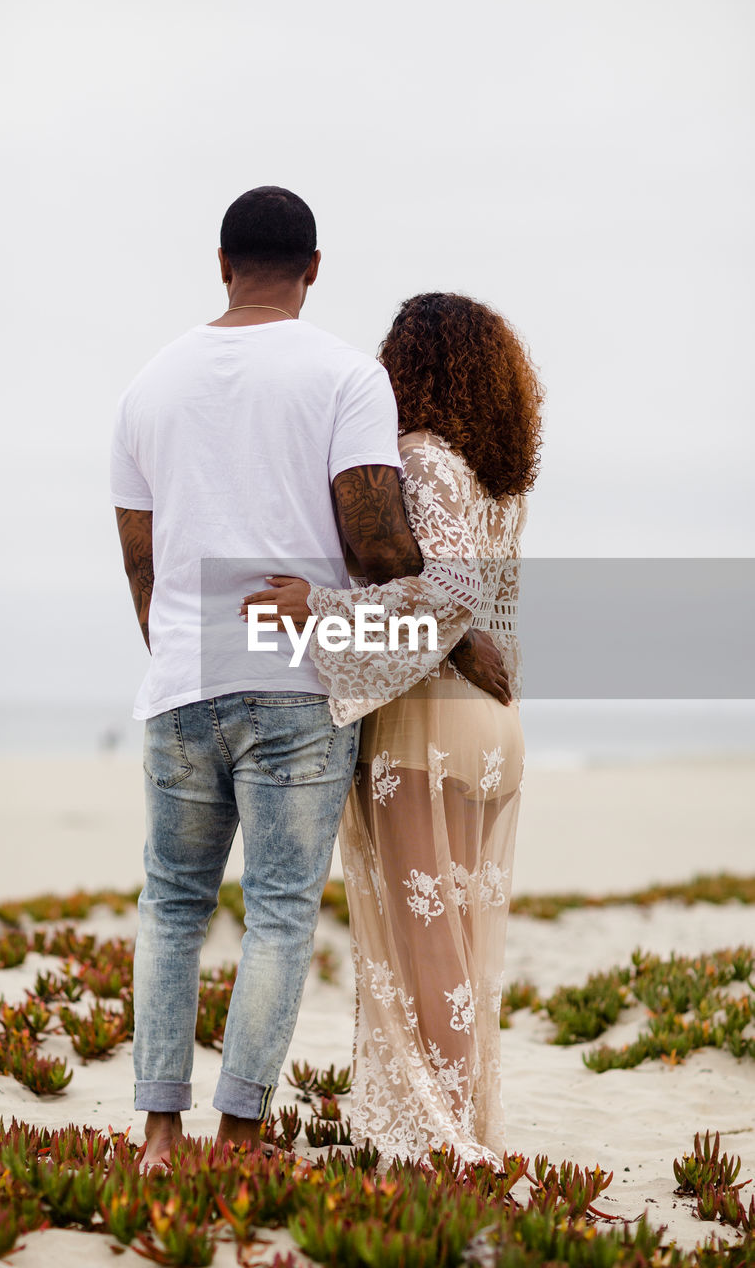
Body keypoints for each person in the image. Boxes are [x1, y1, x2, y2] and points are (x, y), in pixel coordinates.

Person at [110, 190, 508, 1170]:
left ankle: (159, 1133)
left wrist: (177, 655)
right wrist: (453, 630)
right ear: (314, 267)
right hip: (296, 686)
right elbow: (375, 544)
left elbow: (138, 559)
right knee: (280, 911)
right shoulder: (345, 376)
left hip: (181, 682)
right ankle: (240, 1137)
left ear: (220, 263)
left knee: (169, 905)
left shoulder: (146, 387)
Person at [242, 292, 543, 1167]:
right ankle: (458, 1128)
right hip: (493, 724)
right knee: (459, 938)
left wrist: (317, 609)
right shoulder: (493, 484)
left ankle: (451, 1144)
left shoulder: (416, 457)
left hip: (426, 728)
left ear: (406, 368)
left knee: (426, 943)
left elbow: (444, 600)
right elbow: (484, 613)